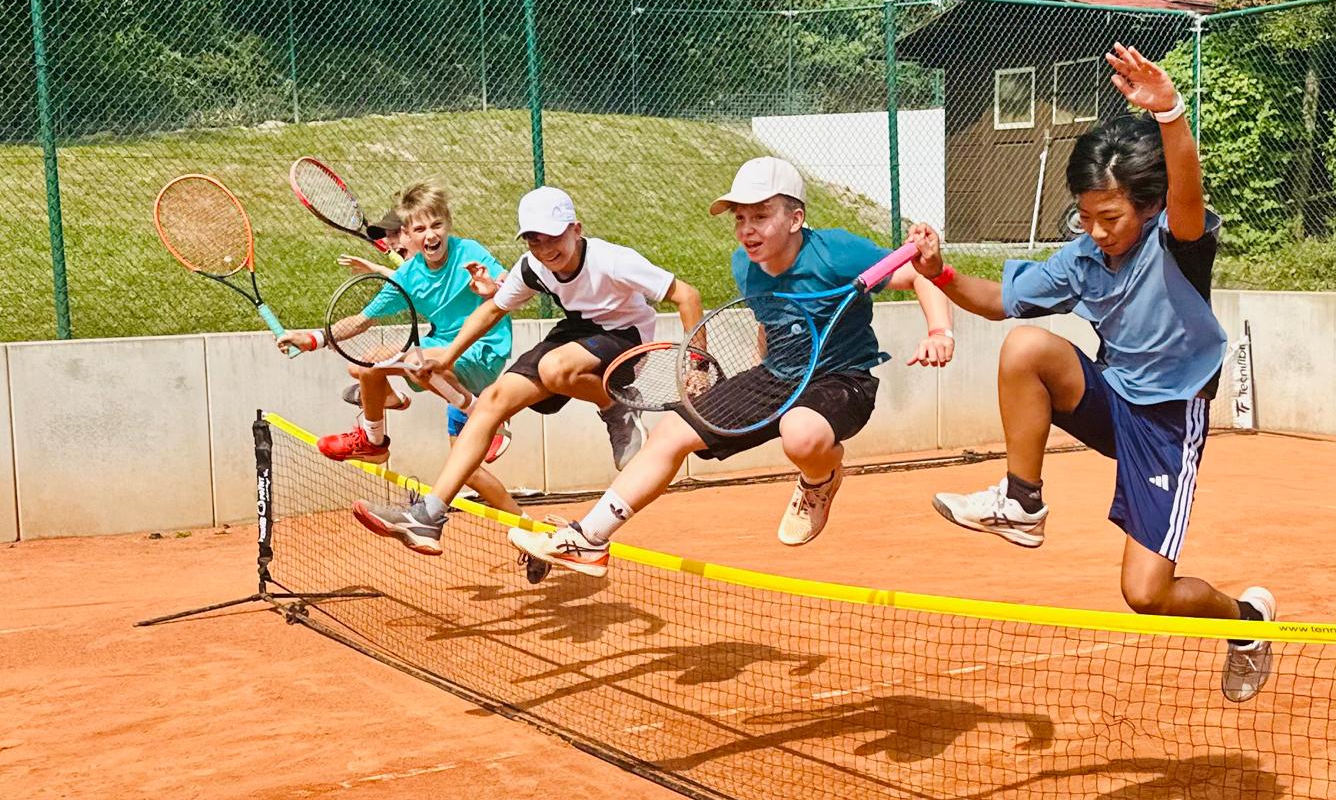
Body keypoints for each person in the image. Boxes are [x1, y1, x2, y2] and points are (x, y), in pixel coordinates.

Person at [908, 44, 1277, 704]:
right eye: (1086, 216)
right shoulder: (1081, 259)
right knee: (1026, 346)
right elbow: (996, 301)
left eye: (1110, 218)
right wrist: (939, 272)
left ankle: (1246, 623)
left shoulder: (1176, 241)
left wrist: (1170, 113)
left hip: (1167, 421)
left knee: (1146, 593)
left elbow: (1186, 190)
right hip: (1112, 397)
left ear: (1149, 206)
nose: (1097, 230)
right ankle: (1022, 502)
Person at [510, 156, 955, 577]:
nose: (746, 229)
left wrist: (939, 332)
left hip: (843, 379)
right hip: (777, 375)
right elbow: (771, 322)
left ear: (795, 219)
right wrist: (754, 380)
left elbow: (918, 273)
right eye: (740, 218)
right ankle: (589, 538)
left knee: (800, 432)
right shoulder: (745, 264)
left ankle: (820, 478)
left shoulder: (836, 252)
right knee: (671, 432)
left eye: (760, 216)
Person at [349, 185, 704, 555]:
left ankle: (616, 405)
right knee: (492, 401)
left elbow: (687, 296)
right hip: (576, 333)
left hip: (627, 339)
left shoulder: (612, 260)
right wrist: (448, 357)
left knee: (554, 368)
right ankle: (428, 515)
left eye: (553, 237)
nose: (545, 249)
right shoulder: (533, 267)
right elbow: (492, 309)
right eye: (534, 239)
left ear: (576, 230)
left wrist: (697, 365)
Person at [277, 181, 520, 513]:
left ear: (448, 224)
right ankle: (374, 441)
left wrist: (494, 287)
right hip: (444, 363)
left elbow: (507, 281)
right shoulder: (407, 276)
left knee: (414, 362)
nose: (430, 235)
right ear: (408, 233)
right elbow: (362, 320)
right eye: (420, 229)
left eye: (437, 225)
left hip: (483, 351)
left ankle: (484, 416)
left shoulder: (469, 251)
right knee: (365, 365)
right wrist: (314, 339)